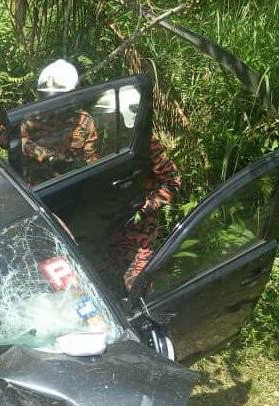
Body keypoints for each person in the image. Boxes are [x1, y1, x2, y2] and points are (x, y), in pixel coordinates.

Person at [106, 88, 181, 290]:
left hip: (138, 234)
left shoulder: (147, 144)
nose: (107, 122)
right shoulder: (111, 140)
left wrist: (146, 206)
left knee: (137, 288)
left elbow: (172, 181)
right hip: (111, 228)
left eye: (111, 117)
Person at [21, 59, 99, 185]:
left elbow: (91, 157)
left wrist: (84, 171)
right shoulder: (30, 119)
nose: (52, 104)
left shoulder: (84, 121)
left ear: (71, 96)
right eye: (47, 97)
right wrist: (49, 157)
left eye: (58, 98)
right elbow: (21, 144)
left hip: (74, 184)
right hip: (39, 188)